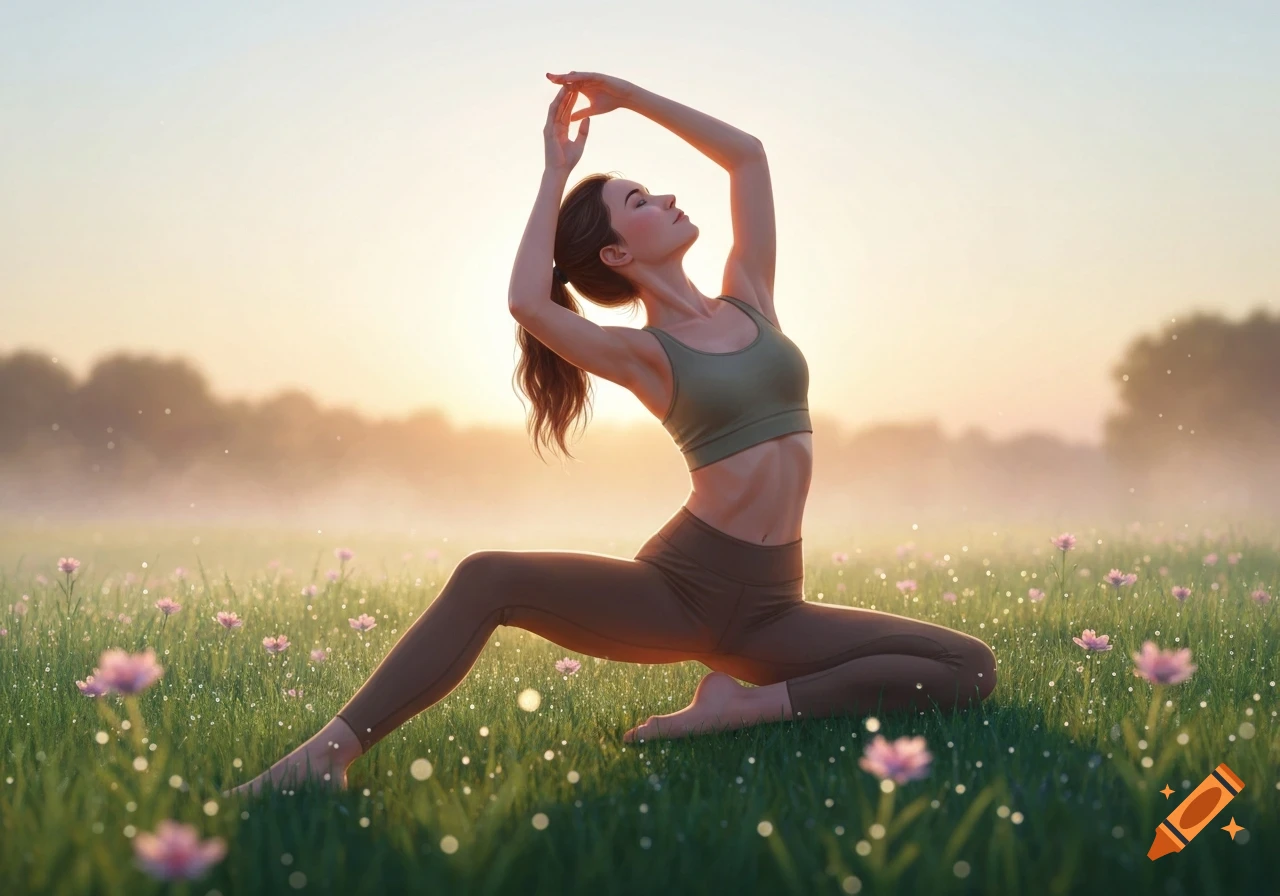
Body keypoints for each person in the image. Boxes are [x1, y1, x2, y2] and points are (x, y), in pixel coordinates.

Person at [225, 71, 997, 798]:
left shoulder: (751, 298)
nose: (664, 196)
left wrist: (629, 96)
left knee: (968, 668)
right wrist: (556, 169)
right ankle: (323, 758)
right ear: (618, 254)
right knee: (487, 575)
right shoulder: (642, 354)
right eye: (639, 199)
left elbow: (748, 157)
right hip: (683, 590)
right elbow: (530, 302)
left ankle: (738, 708)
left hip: (773, 606)